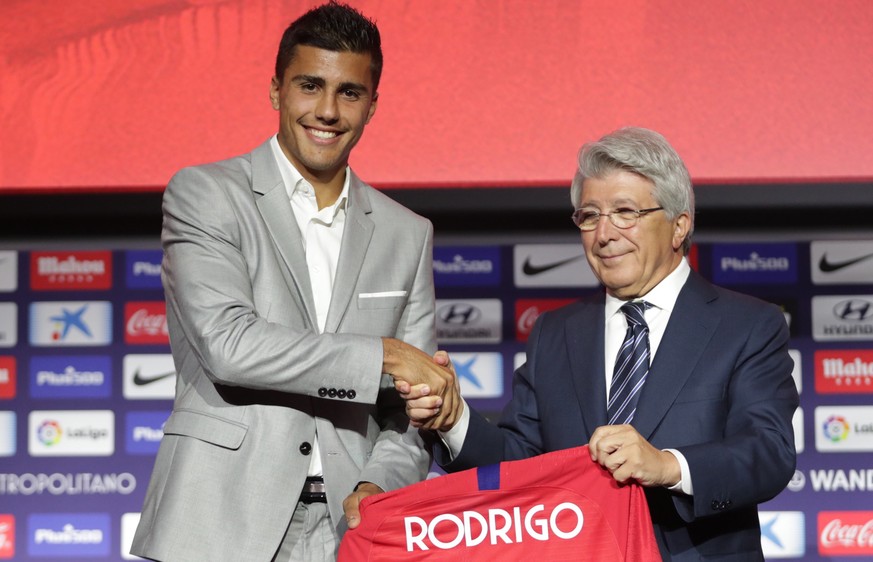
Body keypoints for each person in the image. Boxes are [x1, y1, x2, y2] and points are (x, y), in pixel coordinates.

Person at [131, 3, 458, 561]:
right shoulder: (206, 194)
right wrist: (384, 357)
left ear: (372, 105)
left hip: (351, 529)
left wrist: (378, 486)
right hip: (219, 519)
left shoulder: (408, 232)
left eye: (349, 93)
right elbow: (229, 345)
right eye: (310, 85)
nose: (327, 110)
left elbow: (411, 409)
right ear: (277, 90)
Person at [403, 127, 799, 560]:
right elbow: (520, 464)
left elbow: (767, 452)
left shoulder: (747, 324)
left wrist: (666, 466)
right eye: (589, 216)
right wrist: (454, 419)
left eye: (625, 212)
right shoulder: (556, 332)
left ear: (678, 225)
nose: (604, 234)